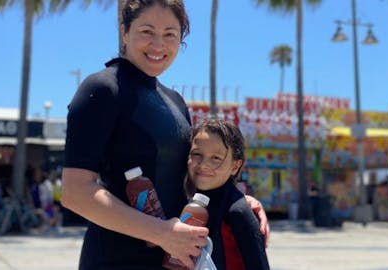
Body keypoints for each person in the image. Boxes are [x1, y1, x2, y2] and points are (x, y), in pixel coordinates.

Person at [60, 1, 268, 269]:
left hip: (174, 260)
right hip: (115, 259)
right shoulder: (103, 89)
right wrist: (161, 233)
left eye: (170, 34)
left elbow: (186, 180)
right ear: (125, 31)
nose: (158, 44)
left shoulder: (176, 102)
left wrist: (236, 199)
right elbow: (75, 192)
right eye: (147, 31)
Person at [184, 118, 270, 269]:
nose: (204, 164)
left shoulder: (238, 212)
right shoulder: (186, 202)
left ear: (235, 166)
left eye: (216, 158)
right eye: (197, 154)